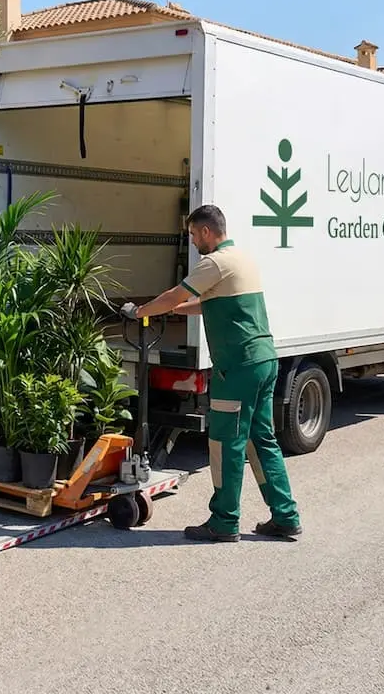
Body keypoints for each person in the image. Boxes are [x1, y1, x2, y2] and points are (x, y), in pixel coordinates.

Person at [121, 204, 302, 543]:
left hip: (237, 368)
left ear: (206, 232)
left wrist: (143, 311)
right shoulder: (242, 260)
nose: (192, 242)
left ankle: (224, 521)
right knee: (261, 441)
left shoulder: (213, 263)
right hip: (264, 361)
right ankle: (286, 516)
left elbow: (179, 292)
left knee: (225, 443)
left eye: (192, 235)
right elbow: (209, 303)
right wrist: (174, 311)